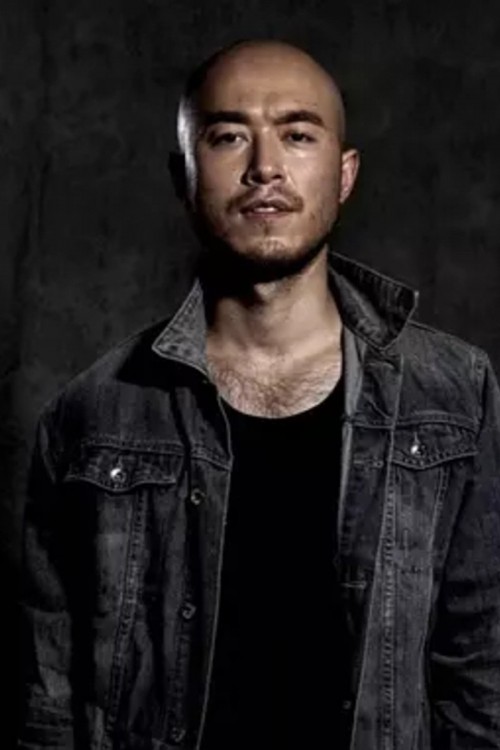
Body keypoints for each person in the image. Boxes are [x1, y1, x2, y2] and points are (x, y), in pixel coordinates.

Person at [18, 38, 500, 750]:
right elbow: (49, 699)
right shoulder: (92, 414)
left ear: (344, 173)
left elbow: (483, 675)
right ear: (184, 175)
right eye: (228, 137)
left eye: (297, 135)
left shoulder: (455, 392)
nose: (265, 168)